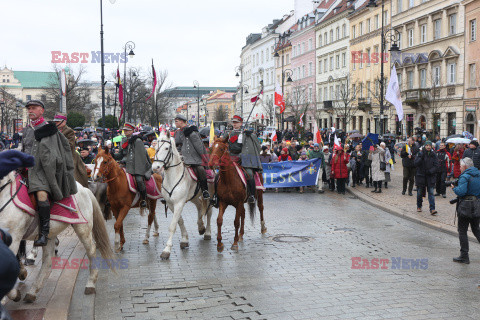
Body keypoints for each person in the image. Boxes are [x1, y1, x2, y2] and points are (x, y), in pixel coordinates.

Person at [21, 100, 77, 246]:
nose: (30, 111)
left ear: (42, 111)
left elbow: (52, 154)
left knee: (41, 195)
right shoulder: (27, 129)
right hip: (24, 170)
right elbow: (24, 148)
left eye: (34, 108)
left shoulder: (49, 129)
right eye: (29, 109)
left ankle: (44, 234)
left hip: (42, 172)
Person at [223, 115, 262, 203]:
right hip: (230, 157)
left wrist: (250, 135)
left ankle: (251, 195)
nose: (234, 124)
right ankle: (217, 195)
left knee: (249, 174)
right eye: (233, 122)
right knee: (220, 174)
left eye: (236, 122)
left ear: (241, 123)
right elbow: (222, 142)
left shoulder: (245, 134)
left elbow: (249, 146)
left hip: (243, 158)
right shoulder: (228, 133)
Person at [174, 115, 210, 200]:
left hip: (193, 157)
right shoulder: (178, 132)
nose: (175, 123)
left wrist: (205, 159)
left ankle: (205, 190)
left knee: (200, 169)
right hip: (180, 155)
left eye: (176, 121)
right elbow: (177, 145)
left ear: (182, 121)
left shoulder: (192, 132)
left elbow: (199, 147)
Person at [117, 122, 153, 208]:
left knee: (139, 179)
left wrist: (126, 161)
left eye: (127, 130)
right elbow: (122, 154)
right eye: (124, 130)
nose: (125, 132)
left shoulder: (137, 140)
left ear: (132, 131)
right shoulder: (123, 140)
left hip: (136, 165)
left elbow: (140, 156)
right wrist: (113, 155)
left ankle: (144, 199)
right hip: (124, 164)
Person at [452, 158, 480, 264]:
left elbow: (461, 192)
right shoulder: (478, 174)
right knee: (476, 229)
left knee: (462, 230)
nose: (459, 167)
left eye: (460, 165)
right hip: (477, 205)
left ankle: (464, 256)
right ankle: (464, 256)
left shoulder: (465, 176)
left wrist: (454, 188)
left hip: (465, 207)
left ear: (465, 166)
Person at [53, 113, 89, 188]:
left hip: (68, 156)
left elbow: (69, 145)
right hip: (55, 154)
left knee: (73, 174)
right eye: (55, 121)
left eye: (57, 121)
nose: (55, 123)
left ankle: (76, 187)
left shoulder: (69, 131)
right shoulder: (53, 130)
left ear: (64, 121)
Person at [414, 141, 439, 214]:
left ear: (431, 146)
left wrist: (431, 171)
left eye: (429, 145)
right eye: (427, 145)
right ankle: (419, 206)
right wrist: (421, 158)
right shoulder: (420, 153)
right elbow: (415, 163)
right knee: (419, 193)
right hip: (421, 176)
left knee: (431, 193)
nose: (428, 147)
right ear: (424, 146)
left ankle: (432, 209)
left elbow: (436, 165)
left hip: (430, 177)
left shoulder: (433, 154)